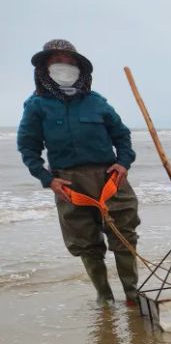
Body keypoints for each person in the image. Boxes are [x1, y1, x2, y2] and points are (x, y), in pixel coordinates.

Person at [17, 39, 140, 305]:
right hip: (68, 184)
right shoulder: (36, 106)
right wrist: (47, 179)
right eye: (57, 61)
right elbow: (28, 147)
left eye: (70, 62)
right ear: (45, 68)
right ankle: (104, 297)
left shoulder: (98, 103)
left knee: (124, 236)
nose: (65, 67)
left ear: (79, 68)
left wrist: (124, 163)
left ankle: (132, 295)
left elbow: (122, 136)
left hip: (110, 179)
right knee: (86, 244)